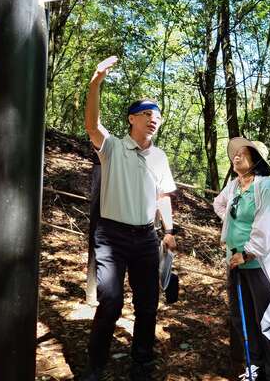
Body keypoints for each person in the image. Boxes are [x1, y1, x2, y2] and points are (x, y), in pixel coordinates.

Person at [82, 56, 177, 381]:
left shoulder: (160, 156)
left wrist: (169, 229)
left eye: (158, 116)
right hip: (112, 236)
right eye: (148, 114)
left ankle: (142, 363)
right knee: (110, 301)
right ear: (131, 119)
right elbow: (92, 126)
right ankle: (95, 366)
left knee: (148, 304)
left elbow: (163, 195)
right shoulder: (112, 148)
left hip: (146, 238)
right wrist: (96, 81)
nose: (154, 119)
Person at [213, 137, 270, 381]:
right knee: (241, 315)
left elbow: (266, 223)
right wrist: (231, 226)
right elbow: (219, 204)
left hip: (258, 263)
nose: (237, 157)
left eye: (244, 154)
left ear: (256, 161)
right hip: (235, 260)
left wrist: (247, 252)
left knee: (267, 320)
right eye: (236, 154)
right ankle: (253, 368)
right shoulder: (235, 185)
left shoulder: (265, 185)